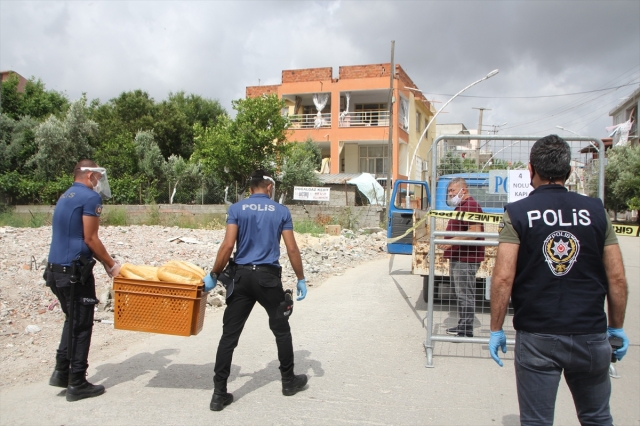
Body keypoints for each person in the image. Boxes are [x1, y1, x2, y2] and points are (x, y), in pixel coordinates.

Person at [489, 135, 629, 425]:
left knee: (537, 421)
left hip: (537, 336)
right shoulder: (596, 212)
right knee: (597, 417)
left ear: (531, 170)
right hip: (590, 334)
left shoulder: (517, 213)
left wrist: (496, 329)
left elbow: (503, 277)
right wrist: (616, 328)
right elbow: (617, 279)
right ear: (568, 172)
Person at [204, 170, 308, 412]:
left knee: (229, 335)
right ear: (269, 188)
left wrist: (213, 274)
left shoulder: (237, 209)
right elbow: (292, 249)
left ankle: (219, 394)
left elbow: (228, 245)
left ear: (249, 188)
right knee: (281, 329)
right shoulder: (281, 211)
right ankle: (288, 381)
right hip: (268, 278)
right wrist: (301, 278)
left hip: (241, 278)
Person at [45, 160, 121, 402]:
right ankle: (77, 381)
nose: (98, 183)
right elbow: (90, 238)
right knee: (82, 325)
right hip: (75, 274)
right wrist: (111, 264)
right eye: (97, 178)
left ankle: (61, 372)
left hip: (55, 271)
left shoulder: (66, 195)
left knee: (72, 318)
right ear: (89, 175)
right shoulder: (89, 198)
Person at [441, 177, 485, 338]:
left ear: (463, 190)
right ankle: (463, 324)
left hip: (466, 258)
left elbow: (475, 232)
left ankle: (466, 329)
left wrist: (451, 242)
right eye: (449, 191)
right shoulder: (462, 207)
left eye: (453, 190)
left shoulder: (471, 206)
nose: (450, 194)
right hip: (459, 257)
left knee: (465, 294)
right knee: (460, 293)